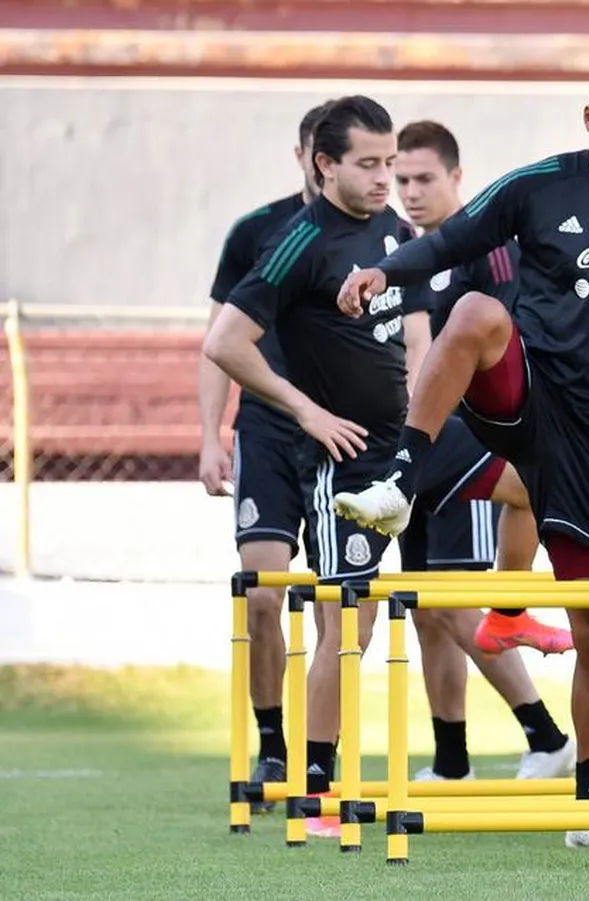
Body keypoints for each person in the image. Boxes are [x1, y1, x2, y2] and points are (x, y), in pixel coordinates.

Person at [332, 61, 589, 851]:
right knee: (479, 309)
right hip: (524, 390)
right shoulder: (538, 186)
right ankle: (401, 478)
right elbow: (449, 240)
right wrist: (384, 270)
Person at [202, 95, 525, 839]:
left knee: (534, 484)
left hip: (417, 438)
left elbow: (415, 338)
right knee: (350, 621)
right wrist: (307, 412)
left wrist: (428, 407)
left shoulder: (393, 232)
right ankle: (316, 785)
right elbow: (224, 340)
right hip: (347, 459)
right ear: (325, 164)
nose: (388, 179)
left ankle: (511, 615)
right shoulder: (298, 240)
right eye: (371, 165)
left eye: (393, 163)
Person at [392, 118, 575, 783]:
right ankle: (451, 761)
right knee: (426, 608)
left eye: (423, 179)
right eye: (400, 179)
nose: (410, 191)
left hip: (471, 434)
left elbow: (504, 337)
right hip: (424, 440)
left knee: (455, 603)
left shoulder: (483, 249)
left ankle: (547, 732)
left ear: (455, 177)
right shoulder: (418, 257)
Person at [198, 99, 332, 810]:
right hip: (268, 432)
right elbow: (217, 337)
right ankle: (272, 743)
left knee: (343, 607)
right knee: (263, 596)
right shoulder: (257, 231)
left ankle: (322, 757)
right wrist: (208, 433)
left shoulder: (374, 237)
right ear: (306, 157)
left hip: (340, 432)